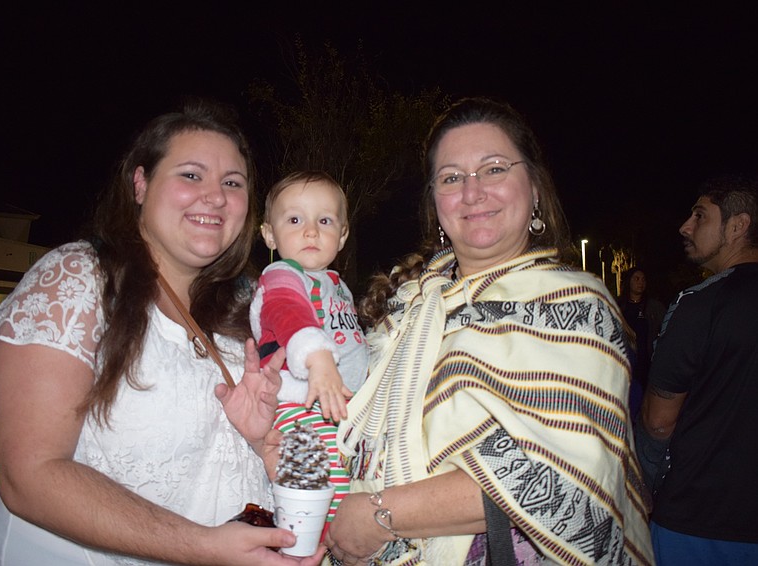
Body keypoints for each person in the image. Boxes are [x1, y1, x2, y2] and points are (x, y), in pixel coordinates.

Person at [0, 99, 324, 565]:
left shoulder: (248, 309)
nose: (215, 196)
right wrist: (203, 547)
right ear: (140, 183)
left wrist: (263, 445)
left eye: (232, 183)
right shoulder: (77, 280)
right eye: (191, 175)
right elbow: (29, 475)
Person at [324, 96, 653, 565]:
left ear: (535, 188)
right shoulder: (408, 308)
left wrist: (377, 516)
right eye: (452, 177)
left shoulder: (578, 310)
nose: (472, 192)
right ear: (435, 201)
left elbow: (564, 484)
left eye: (494, 169)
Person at [637, 176, 758, 565]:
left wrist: (644, 488)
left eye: (700, 215)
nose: (685, 226)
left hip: (698, 521)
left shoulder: (699, 305)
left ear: (737, 226)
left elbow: (658, 422)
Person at [250, 171, 369, 528]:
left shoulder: (337, 285)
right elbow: (288, 312)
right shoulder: (281, 275)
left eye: (325, 220)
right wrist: (318, 359)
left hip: (336, 411)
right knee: (321, 497)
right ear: (270, 234)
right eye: (295, 219)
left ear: (343, 234)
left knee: (345, 490)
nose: (311, 231)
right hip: (301, 407)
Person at [617, 266, 666, 420]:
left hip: (647, 365)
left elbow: (664, 331)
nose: (640, 283)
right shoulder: (618, 306)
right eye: (636, 279)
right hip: (624, 363)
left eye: (643, 279)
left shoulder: (654, 307)